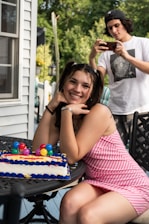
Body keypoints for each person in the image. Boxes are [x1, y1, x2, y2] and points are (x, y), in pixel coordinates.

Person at [33, 61, 149, 224]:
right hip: (98, 181)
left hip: (133, 186)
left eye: (85, 85)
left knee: (89, 215)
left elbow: (71, 157)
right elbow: (38, 150)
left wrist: (67, 113)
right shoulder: (65, 113)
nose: (78, 89)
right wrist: (51, 107)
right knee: (69, 203)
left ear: (92, 91)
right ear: (64, 82)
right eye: (73, 81)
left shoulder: (99, 112)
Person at [89, 9, 149, 145]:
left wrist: (126, 56)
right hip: (115, 111)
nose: (114, 30)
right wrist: (92, 56)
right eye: (110, 28)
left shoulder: (143, 43)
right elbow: (96, 79)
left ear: (125, 24)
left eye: (117, 25)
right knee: (116, 156)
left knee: (141, 156)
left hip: (140, 111)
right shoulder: (106, 54)